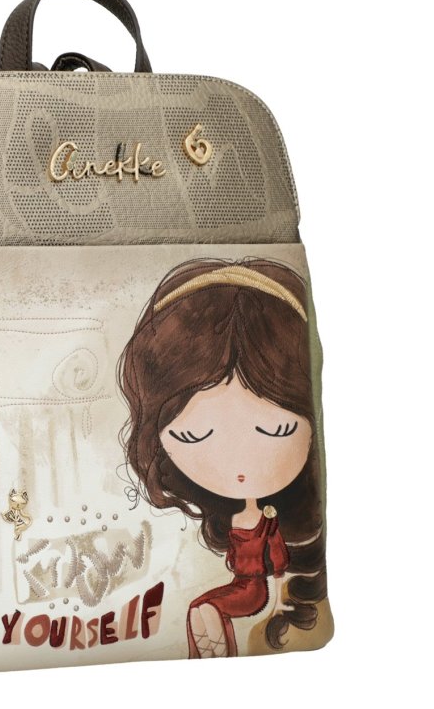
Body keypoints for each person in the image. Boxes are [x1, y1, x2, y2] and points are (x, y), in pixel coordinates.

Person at [117, 259, 326, 657]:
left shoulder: (272, 520)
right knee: (202, 609)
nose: (239, 463)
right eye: (193, 435)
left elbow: (276, 559)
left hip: (259, 591)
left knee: (205, 608)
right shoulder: (233, 516)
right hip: (244, 587)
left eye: (277, 430)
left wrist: (279, 587)